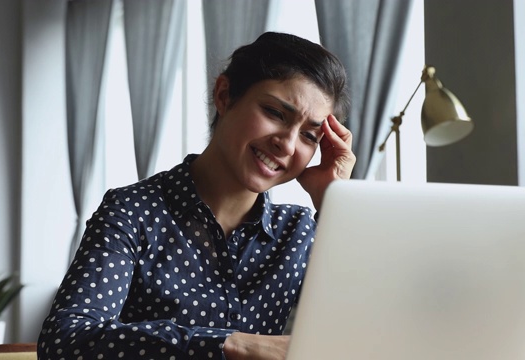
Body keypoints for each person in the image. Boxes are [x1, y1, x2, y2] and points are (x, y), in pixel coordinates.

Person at [37, 31, 355, 360]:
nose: (287, 144)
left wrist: (336, 202)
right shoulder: (132, 212)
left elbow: (361, 336)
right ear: (224, 94)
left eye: (308, 135)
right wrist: (234, 344)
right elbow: (65, 341)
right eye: (275, 113)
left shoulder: (300, 231)